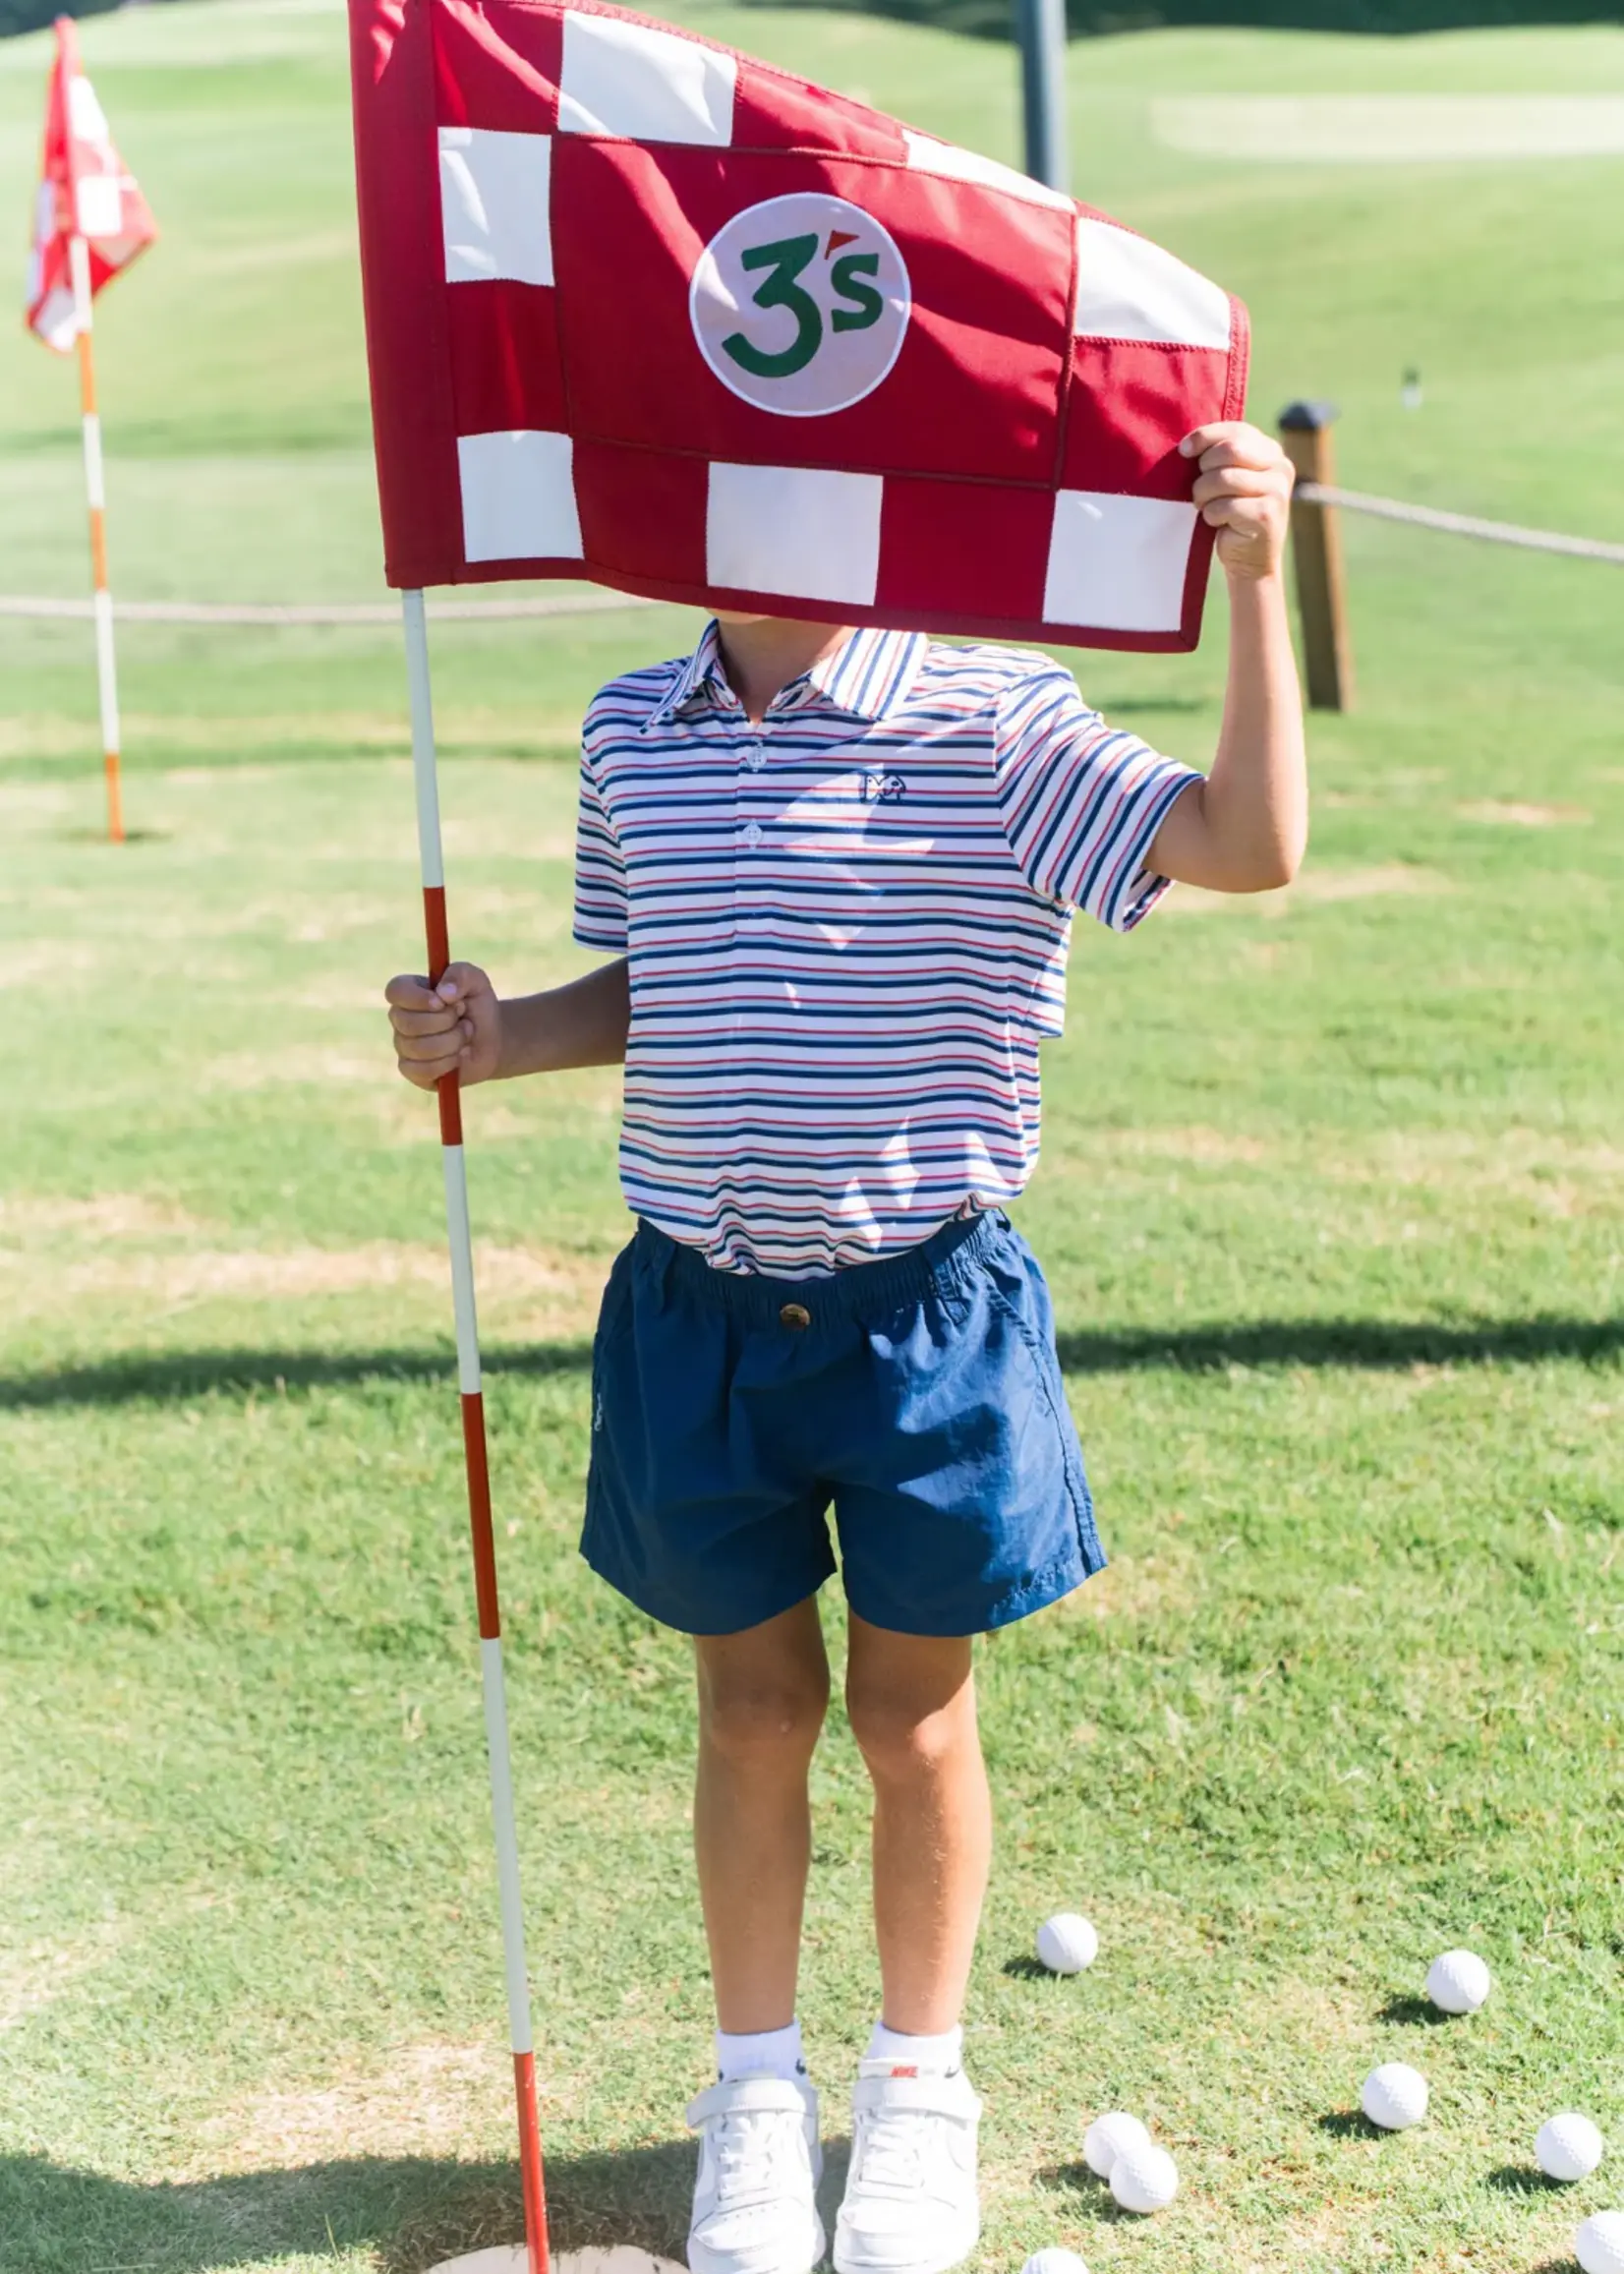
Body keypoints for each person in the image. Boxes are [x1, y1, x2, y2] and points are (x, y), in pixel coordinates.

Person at [384, 420, 1305, 2274]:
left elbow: (1251, 845)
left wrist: (1259, 581)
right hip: (697, 1316)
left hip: (921, 1326)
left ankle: (918, 2090)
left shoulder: (990, 716)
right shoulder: (632, 727)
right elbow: (665, 981)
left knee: (911, 1715)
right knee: (752, 1712)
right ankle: (753, 2096)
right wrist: (497, 1032)